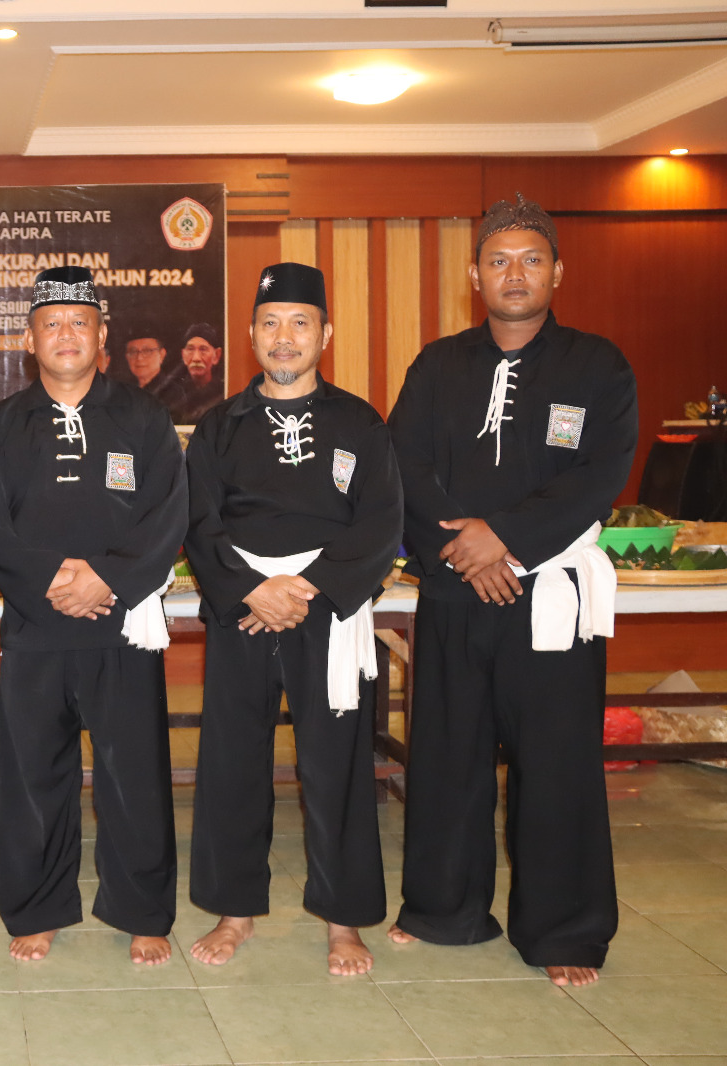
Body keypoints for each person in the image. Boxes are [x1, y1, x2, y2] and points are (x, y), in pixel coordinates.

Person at [386, 195, 637, 987]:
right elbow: (405, 467)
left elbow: (599, 475)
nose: (515, 273)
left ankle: (563, 929)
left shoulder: (597, 365)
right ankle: (443, 908)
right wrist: (468, 552)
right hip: (458, 591)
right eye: (499, 261)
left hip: (550, 598)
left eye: (531, 259)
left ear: (558, 270)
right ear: (475, 276)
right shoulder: (438, 365)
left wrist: (508, 539)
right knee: (448, 755)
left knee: (556, 765)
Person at [182, 262, 403, 976]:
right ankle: (234, 911)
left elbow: (380, 522)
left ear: (325, 334)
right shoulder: (218, 426)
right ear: (251, 335)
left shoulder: (360, 422)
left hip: (326, 610)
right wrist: (251, 589)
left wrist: (307, 588)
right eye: (271, 324)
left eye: (300, 323)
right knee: (232, 762)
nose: (284, 338)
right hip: (243, 607)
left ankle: (344, 922)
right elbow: (199, 521)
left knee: (336, 768)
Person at [0, 266, 187, 965]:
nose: (66, 334)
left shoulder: (144, 418)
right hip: (37, 627)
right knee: (35, 777)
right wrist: (51, 581)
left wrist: (107, 581)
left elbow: (167, 514)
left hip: (120, 624)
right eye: (51, 323)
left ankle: (142, 910)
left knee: (135, 774)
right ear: (31, 340)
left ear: (103, 336)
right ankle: (37, 907)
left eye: (80, 322)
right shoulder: (4, 424)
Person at [177, 323, 226, 422]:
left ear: (216, 355)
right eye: (190, 349)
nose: (196, 358)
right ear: (183, 355)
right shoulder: (175, 394)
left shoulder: (224, 393)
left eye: (203, 349)